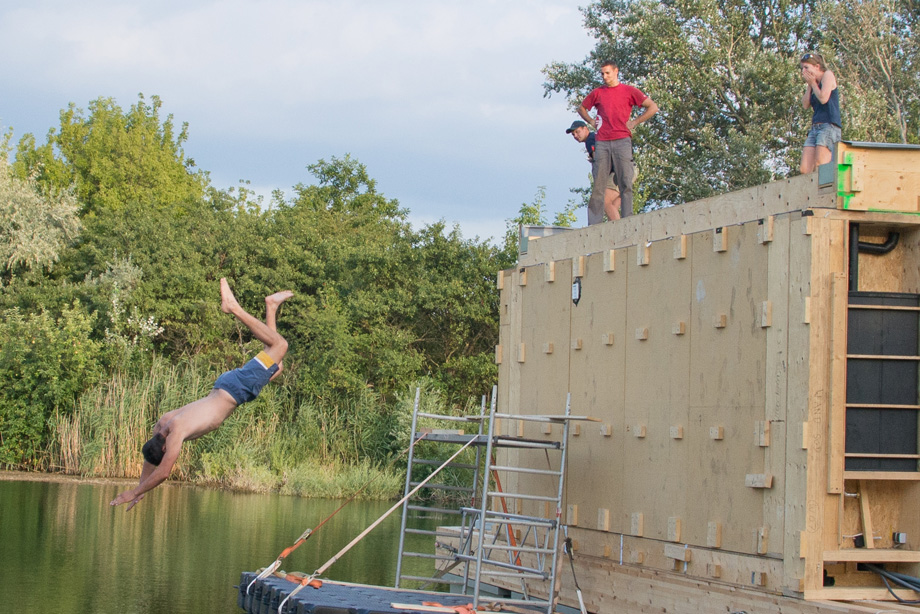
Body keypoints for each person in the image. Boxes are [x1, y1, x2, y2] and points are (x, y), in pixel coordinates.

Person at [110, 278, 292, 511]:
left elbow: (164, 472)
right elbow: (150, 457)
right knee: (275, 363)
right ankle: (272, 306)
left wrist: (134, 492)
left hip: (237, 390)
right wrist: (142, 486)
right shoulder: (163, 423)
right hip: (227, 384)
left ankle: (233, 308)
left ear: (165, 447)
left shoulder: (176, 432)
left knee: (280, 345)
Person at [578, 60, 658, 224]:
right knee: (599, 185)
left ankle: (628, 220)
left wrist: (635, 122)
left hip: (622, 139)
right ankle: (594, 224)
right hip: (603, 141)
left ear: (616, 71)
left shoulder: (629, 91)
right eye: (602, 73)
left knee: (625, 182)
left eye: (607, 73)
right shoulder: (598, 92)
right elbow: (581, 108)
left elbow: (652, 107)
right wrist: (591, 121)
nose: (604, 76)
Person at [566, 120, 622, 222]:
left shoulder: (591, 139)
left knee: (603, 199)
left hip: (618, 171)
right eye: (573, 134)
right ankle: (616, 232)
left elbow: (600, 160)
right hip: (627, 169)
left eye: (577, 132)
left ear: (585, 129)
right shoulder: (597, 137)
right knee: (612, 206)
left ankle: (621, 230)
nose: (575, 136)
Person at [799, 52, 841, 174]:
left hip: (828, 126)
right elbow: (805, 105)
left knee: (821, 166)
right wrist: (810, 85)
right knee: (805, 169)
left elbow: (823, 98)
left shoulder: (827, 75)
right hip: (815, 127)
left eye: (806, 68)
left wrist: (813, 83)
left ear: (817, 66)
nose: (804, 72)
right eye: (802, 69)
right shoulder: (813, 84)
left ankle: (823, 192)